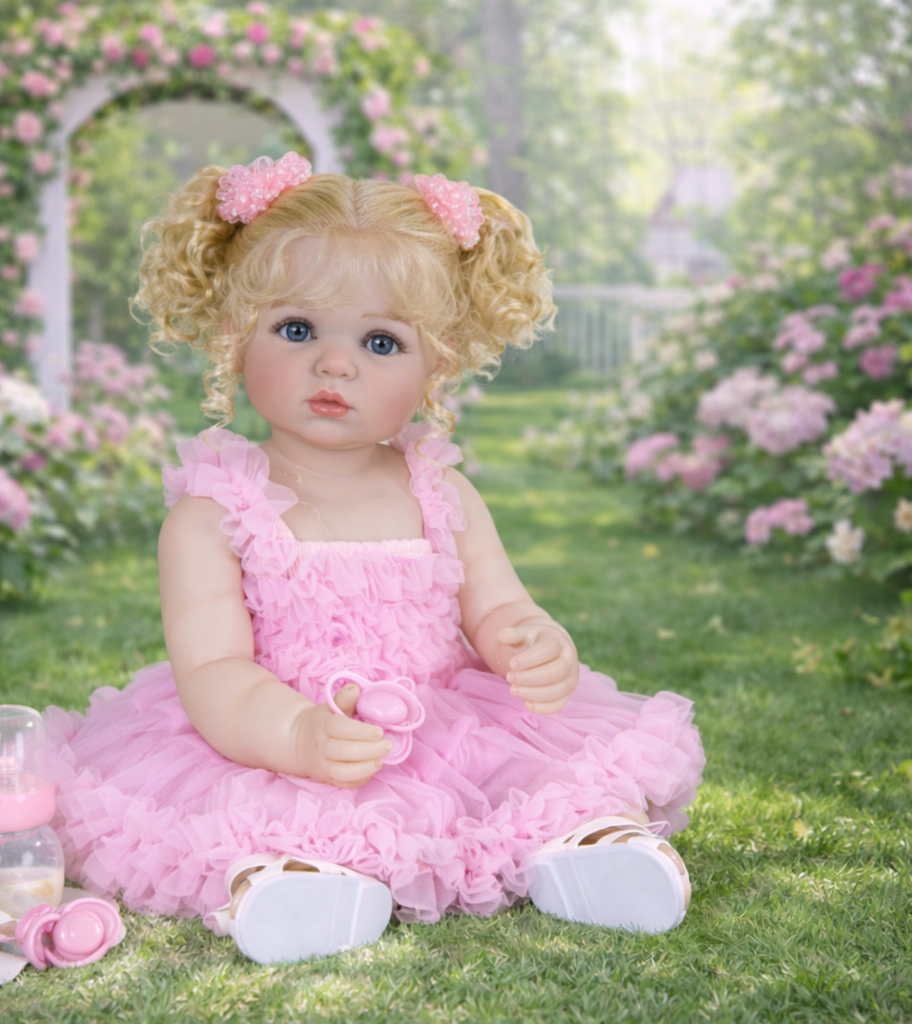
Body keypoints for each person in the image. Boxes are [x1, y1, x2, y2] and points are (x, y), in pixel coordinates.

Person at [46, 153, 704, 965]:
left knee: (545, 787)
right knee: (271, 817)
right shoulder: (212, 514)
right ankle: (297, 884)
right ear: (232, 336)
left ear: (438, 367)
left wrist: (531, 643)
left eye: (381, 342)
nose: (336, 363)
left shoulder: (441, 495)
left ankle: (591, 853)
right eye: (297, 330)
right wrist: (298, 734)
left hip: (448, 729)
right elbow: (214, 669)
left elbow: (498, 605)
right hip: (277, 735)